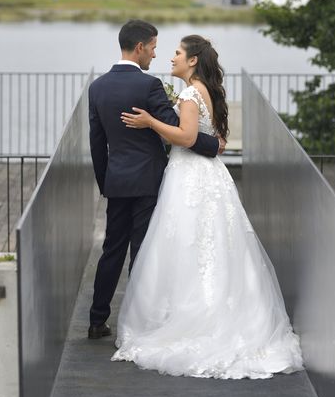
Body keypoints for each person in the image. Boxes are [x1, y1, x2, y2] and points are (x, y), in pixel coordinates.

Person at [111, 34, 304, 379]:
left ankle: (192, 317)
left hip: (189, 176)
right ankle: (221, 309)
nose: (170, 58)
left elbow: (185, 137)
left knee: (188, 242)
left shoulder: (188, 94)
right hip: (211, 176)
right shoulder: (208, 90)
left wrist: (151, 122)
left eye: (177, 53)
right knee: (213, 244)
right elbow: (215, 139)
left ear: (193, 60)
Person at [88, 20, 225, 340]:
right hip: (148, 180)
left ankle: (97, 319)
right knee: (143, 250)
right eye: (152, 48)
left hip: (117, 181)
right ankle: (138, 321)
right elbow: (179, 134)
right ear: (139, 47)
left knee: (112, 250)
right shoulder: (148, 86)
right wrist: (214, 145)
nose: (154, 55)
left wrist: (105, 182)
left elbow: (97, 143)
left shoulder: (97, 87)